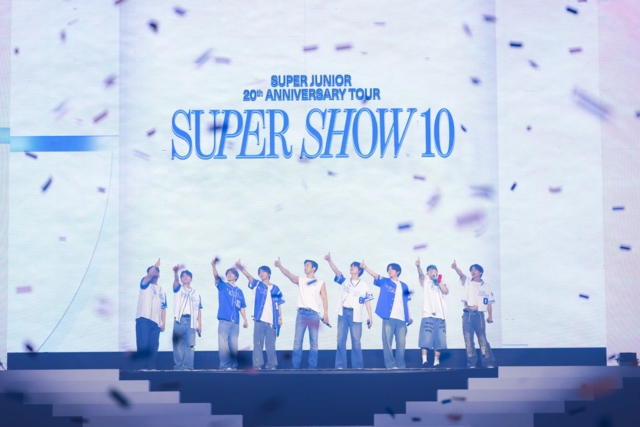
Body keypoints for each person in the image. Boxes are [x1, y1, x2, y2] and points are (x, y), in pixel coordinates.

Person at [275, 257, 329, 370]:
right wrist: (280, 266)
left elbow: (324, 298)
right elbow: (289, 275)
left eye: (307, 265)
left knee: (314, 342)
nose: (305, 267)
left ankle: (312, 367)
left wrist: (326, 314)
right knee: (297, 342)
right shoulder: (301, 280)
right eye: (304, 265)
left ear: (314, 268)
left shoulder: (320, 282)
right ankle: (295, 367)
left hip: (314, 314)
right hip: (301, 314)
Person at [324, 252, 374, 369]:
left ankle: (358, 366)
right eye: (351, 266)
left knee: (356, 341)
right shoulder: (345, 280)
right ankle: (340, 365)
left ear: (359, 270)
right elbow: (336, 271)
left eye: (354, 266)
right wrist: (329, 260)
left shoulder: (364, 285)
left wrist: (370, 317)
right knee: (340, 340)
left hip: (356, 315)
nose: (351, 268)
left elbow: (367, 301)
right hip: (343, 314)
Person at [361, 260, 412, 369]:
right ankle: (390, 365)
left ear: (398, 272)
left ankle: (401, 365)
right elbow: (375, 275)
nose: (389, 271)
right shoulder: (385, 281)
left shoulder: (405, 286)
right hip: (389, 318)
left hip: (402, 319)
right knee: (387, 343)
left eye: (392, 269)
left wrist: (409, 316)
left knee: (401, 344)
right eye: (388, 269)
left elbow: (407, 301)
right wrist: (365, 267)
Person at [236, 260, 285, 370]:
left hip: (272, 322)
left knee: (271, 345)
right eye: (259, 272)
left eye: (263, 272)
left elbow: (279, 304)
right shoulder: (257, 284)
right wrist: (240, 266)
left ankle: (271, 364)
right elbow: (248, 276)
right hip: (259, 320)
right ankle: (257, 364)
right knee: (258, 344)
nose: (261, 274)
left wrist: (280, 318)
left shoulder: (276, 289)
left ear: (269, 274)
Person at [451, 259, 496, 368]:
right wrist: (455, 268)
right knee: (468, 339)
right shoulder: (468, 281)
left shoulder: (486, 286)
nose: (473, 271)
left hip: (479, 315)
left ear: (480, 272)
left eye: (475, 270)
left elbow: (489, 303)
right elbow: (461, 275)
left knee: (482, 338)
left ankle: (488, 362)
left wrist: (490, 316)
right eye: (471, 270)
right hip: (468, 314)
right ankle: (471, 363)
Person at [211, 258, 248, 370]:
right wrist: (214, 266)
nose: (229, 275)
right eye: (228, 273)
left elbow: (242, 306)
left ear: (236, 276)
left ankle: (234, 366)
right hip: (224, 320)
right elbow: (216, 277)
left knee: (234, 346)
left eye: (232, 273)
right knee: (223, 344)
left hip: (235, 322)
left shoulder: (239, 291)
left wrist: (245, 319)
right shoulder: (223, 286)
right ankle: (224, 366)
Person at [416, 258, 449, 367]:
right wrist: (418, 267)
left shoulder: (441, 282)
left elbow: (446, 291)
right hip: (428, 314)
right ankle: (424, 361)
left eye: (433, 269)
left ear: (437, 272)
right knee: (426, 338)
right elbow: (421, 275)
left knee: (440, 340)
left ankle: (436, 362)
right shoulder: (425, 280)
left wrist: (438, 281)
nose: (431, 271)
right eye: (429, 270)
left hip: (441, 315)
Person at [135, 259, 167, 370]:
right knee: (143, 344)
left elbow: (164, 308)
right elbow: (149, 276)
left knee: (153, 346)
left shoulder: (162, 290)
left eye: (157, 271)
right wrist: (155, 265)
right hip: (143, 318)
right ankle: (142, 368)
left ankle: (151, 368)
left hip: (156, 322)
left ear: (159, 275)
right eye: (153, 271)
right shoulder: (145, 283)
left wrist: (163, 323)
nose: (155, 272)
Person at [172, 265, 202, 370]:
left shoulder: (196, 293)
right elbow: (176, 281)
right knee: (178, 345)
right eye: (183, 276)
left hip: (192, 322)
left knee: (191, 345)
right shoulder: (178, 289)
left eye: (187, 276)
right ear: (181, 279)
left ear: (191, 279)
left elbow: (199, 309)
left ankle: (189, 367)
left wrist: (200, 324)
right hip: (179, 320)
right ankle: (179, 367)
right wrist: (176, 273)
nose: (185, 277)